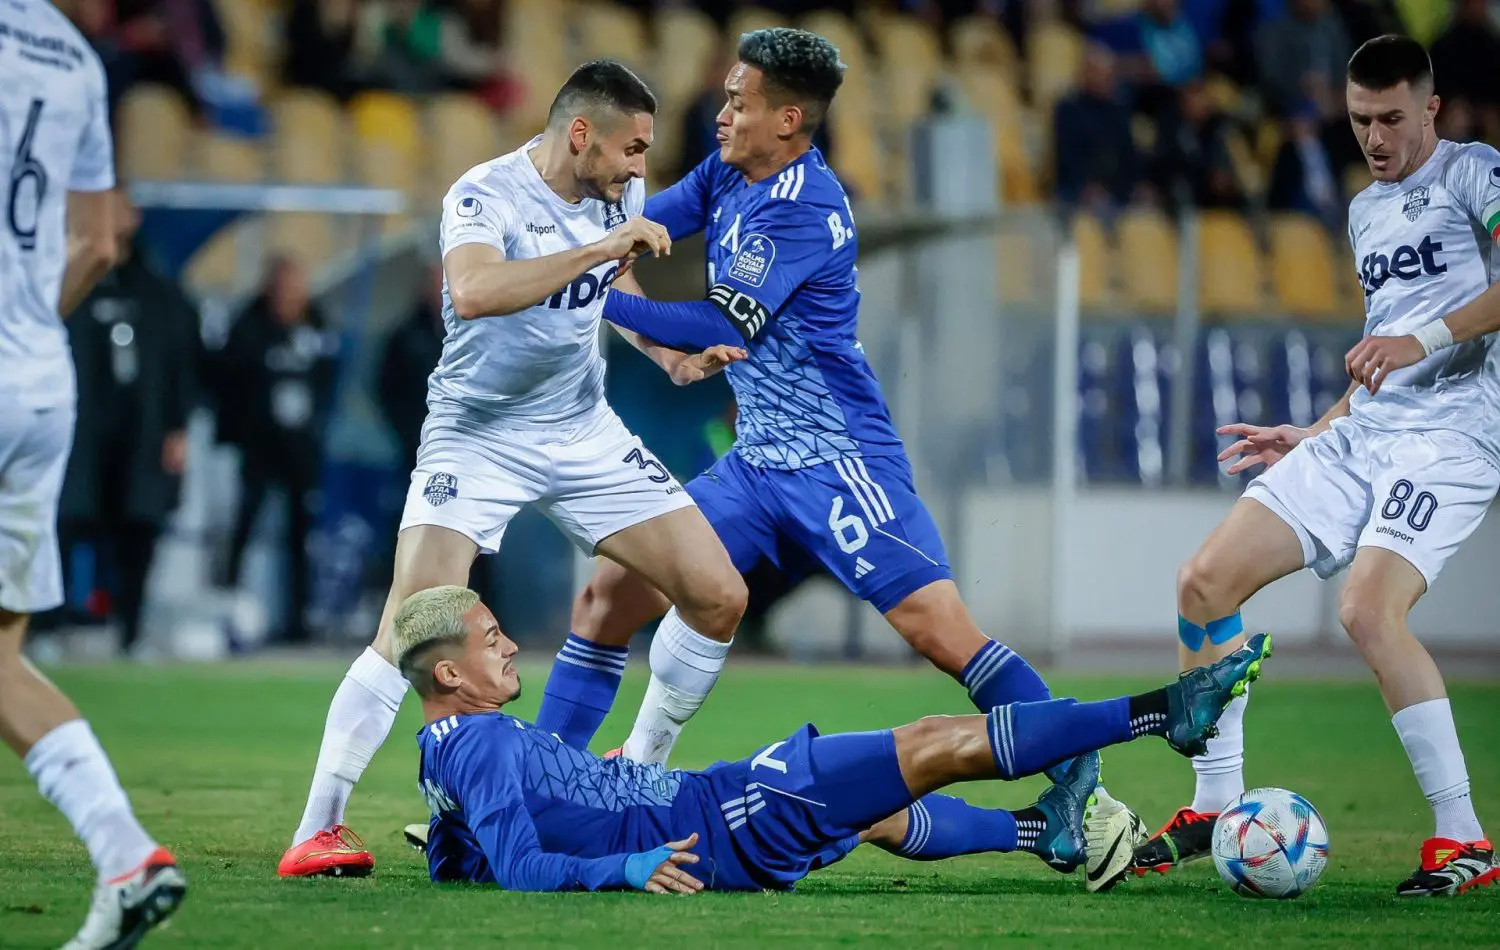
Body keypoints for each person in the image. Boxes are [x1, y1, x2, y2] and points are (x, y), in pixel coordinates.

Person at [535, 27, 1145, 892]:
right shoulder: (725, 174)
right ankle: (543, 786)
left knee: (944, 636)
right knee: (610, 593)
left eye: (739, 102)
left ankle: (1085, 789)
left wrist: (583, 285)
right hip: (756, 464)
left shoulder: (805, 208)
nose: (721, 114)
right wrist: (577, 228)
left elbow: (720, 323)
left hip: (838, 462)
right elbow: (638, 229)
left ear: (787, 120)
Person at [278, 59, 751, 878]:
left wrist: (667, 356)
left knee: (718, 595)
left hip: (582, 429)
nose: (641, 166)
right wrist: (600, 245)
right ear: (581, 134)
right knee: (411, 622)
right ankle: (318, 827)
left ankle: (636, 775)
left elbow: (614, 281)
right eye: (633, 148)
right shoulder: (483, 193)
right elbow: (473, 290)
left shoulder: (619, 194)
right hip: (479, 435)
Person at [1130, 35, 1500, 897]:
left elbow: (1413, 337)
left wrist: (1423, 339)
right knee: (1204, 583)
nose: (1374, 137)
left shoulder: (1474, 172)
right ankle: (1215, 803)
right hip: (1364, 433)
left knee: (1368, 610)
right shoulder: (1365, 210)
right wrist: (1317, 430)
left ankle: (1465, 839)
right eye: (1360, 119)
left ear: (1431, 110)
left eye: (1392, 119)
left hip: (1452, 438)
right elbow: (1382, 347)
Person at [395, 585, 1270, 894]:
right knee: (934, 741)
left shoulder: (446, 752)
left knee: (875, 811)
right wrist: (621, 869)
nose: (508, 645)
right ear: (448, 675)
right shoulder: (484, 746)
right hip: (729, 818)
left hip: (714, 810)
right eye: (489, 639)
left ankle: (1043, 831)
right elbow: (521, 869)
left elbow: (460, 859)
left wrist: (466, 843)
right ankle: (1164, 711)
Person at [0, 1, 186, 946]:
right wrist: (31, 319)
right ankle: (126, 855)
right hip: (39, 378)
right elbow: (102, 238)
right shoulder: (74, 57)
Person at [56, 185, 200, 656]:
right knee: (64, 521)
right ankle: (48, 627)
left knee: (139, 523)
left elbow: (183, 363)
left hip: (142, 431)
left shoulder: (158, 290)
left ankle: (131, 628)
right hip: (76, 427)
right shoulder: (64, 280)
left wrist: (178, 427)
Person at [213, 255, 338, 644]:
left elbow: (329, 379)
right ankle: (226, 609)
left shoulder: (317, 326)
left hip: (301, 452)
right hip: (259, 449)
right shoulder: (249, 327)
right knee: (244, 527)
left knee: (300, 536)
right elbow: (227, 379)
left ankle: (299, 619)